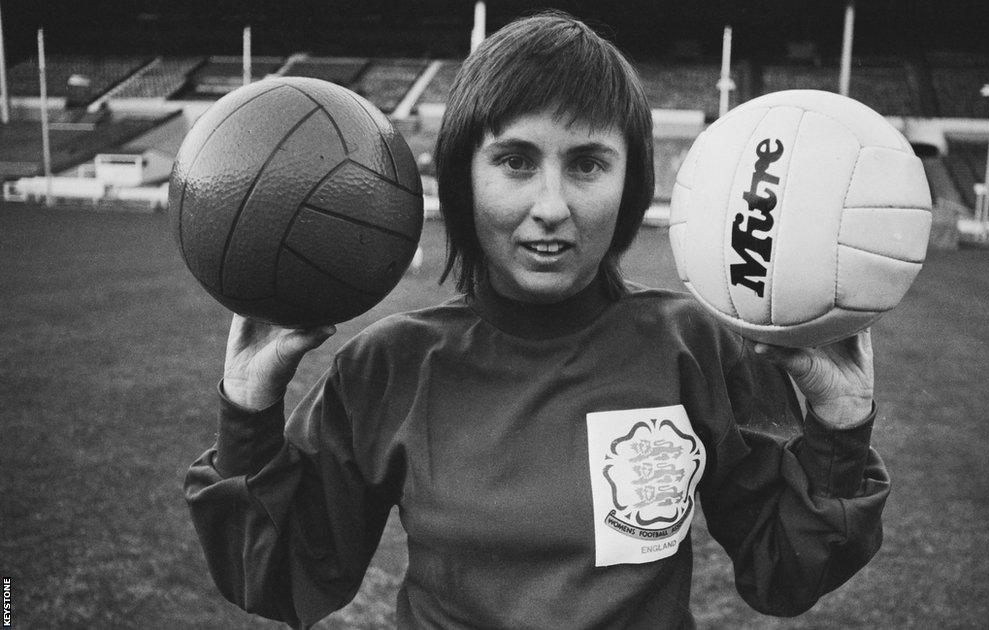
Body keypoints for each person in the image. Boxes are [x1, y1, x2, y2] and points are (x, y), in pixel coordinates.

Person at [185, 12, 889, 630]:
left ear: (631, 184)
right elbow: (281, 579)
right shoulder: (388, 365)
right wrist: (249, 410)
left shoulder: (698, 346)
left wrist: (840, 425)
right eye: (516, 161)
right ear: (464, 177)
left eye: (587, 164)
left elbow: (785, 573)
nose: (551, 205)